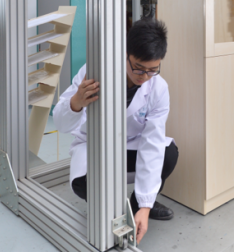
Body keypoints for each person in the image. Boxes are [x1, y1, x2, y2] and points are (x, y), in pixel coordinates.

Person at [53, 18, 178, 244]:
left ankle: (138, 207)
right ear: (126, 54)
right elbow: (61, 123)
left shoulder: (159, 89)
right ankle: (116, 210)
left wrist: (145, 206)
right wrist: (77, 101)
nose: (144, 76)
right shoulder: (95, 72)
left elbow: (152, 144)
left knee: (168, 154)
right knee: (83, 183)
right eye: (138, 67)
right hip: (96, 146)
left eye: (152, 70)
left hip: (131, 145)